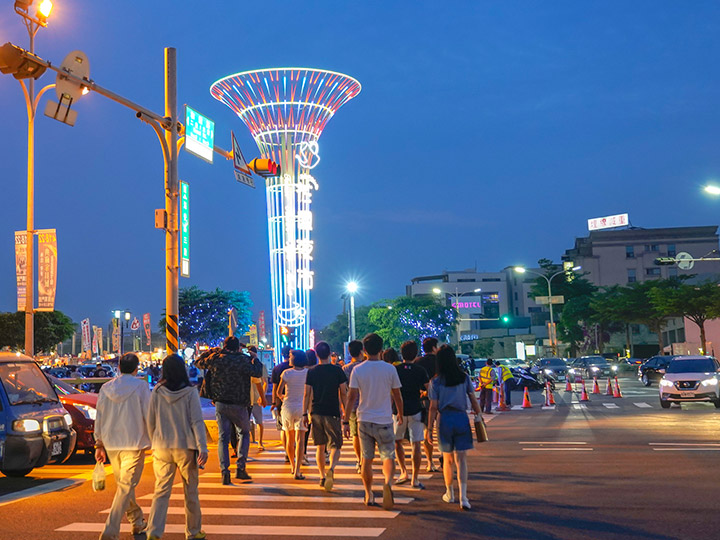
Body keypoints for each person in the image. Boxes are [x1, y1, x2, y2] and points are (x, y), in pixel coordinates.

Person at [146, 354, 208, 540]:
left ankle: (154, 532)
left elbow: (151, 420)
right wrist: (202, 447)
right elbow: (196, 421)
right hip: (186, 448)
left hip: (162, 447)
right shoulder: (190, 392)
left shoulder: (157, 391)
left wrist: (154, 441)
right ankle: (193, 531)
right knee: (190, 492)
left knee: (161, 491)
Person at [94, 353, 151, 540]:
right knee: (126, 487)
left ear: (118, 367)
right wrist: (155, 438)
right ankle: (110, 531)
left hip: (111, 443)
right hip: (133, 443)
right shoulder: (141, 386)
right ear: (137, 368)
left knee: (124, 487)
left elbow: (99, 417)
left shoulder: (106, 388)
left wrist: (99, 443)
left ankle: (137, 522)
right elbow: (148, 415)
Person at [344, 333, 404, 510]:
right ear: (381, 349)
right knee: (388, 456)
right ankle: (387, 483)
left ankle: (368, 493)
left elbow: (351, 396)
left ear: (364, 350)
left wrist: (346, 420)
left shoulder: (358, 370)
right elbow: (397, 395)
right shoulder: (390, 369)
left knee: (366, 459)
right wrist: (400, 413)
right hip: (384, 419)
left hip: (364, 419)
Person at [195, 336, 262, 484]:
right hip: (240, 403)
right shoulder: (243, 359)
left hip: (220, 403)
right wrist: (255, 358)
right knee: (244, 433)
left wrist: (210, 352)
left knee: (223, 438)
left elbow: (198, 362)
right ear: (238, 346)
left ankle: (225, 472)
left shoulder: (216, 358)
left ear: (224, 346)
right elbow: (258, 372)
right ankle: (240, 467)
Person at [428, 345, 481, 510]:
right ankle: (463, 497)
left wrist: (429, 428)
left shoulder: (435, 381)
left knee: (448, 460)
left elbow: (433, 407)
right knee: (461, 460)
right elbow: (473, 399)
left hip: (444, 419)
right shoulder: (463, 377)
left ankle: (449, 493)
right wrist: (479, 416)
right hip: (461, 418)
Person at [303, 341, 348, 491]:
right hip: (332, 412)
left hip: (316, 412)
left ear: (316, 355)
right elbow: (343, 392)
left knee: (320, 447)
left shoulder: (312, 372)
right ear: (330, 354)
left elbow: (307, 394)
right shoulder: (337, 371)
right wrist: (345, 413)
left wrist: (305, 413)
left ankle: (322, 476)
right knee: (335, 445)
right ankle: (332, 468)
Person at [394, 341, 429, 489]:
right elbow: (429, 389)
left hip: (397, 411)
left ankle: (403, 471)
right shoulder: (420, 370)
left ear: (402, 354)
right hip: (416, 409)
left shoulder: (395, 370)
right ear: (415, 354)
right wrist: (423, 394)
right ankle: (415, 478)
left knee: (397, 441)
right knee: (416, 444)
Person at [277, 349, 309, 479]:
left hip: (288, 407)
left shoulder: (286, 373)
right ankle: (297, 470)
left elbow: (279, 391)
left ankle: (291, 464)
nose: (289, 358)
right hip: (302, 408)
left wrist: (284, 397)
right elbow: (309, 393)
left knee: (289, 439)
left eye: (291, 356)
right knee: (300, 440)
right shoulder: (308, 373)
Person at [414, 337, 439, 472]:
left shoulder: (418, 362)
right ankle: (443, 455)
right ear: (434, 348)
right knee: (440, 429)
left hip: (423, 399)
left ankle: (430, 461)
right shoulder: (440, 361)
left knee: (426, 430)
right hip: (440, 399)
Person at [342, 339, 365, 473]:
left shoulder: (346, 369)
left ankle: (359, 460)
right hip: (367, 405)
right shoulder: (367, 366)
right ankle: (365, 459)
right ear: (362, 351)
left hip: (352, 406)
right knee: (366, 435)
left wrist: (344, 407)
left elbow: (344, 390)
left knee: (355, 434)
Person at [271, 345, 292, 463]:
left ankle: (286, 452)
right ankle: (293, 450)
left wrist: (274, 402)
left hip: (280, 402)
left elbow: (274, 388)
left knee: (283, 428)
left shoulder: (277, 368)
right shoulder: (293, 367)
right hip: (293, 400)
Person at [249, 346, 268, 450]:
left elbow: (265, 382)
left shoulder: (261, 366)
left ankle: (260, 442)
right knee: (244, 423)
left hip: (256, 398)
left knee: (259, 421)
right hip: (246, 398)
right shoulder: (244, 366)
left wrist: (262, 396)